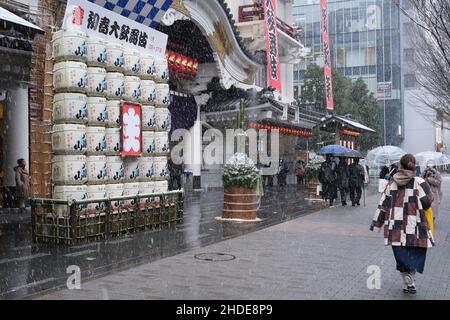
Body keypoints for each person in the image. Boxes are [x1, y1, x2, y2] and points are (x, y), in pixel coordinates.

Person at [371, 154, 434, 294]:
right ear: (413, 165)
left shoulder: (392, 183)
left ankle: (408, 284)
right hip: (415, 226)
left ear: (401, 165)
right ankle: (410, 282)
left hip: (395, 227)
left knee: (402, 258)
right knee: (414, 255)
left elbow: (383, 205)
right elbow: (428, 202)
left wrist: (377, 223)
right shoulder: (420, 182)